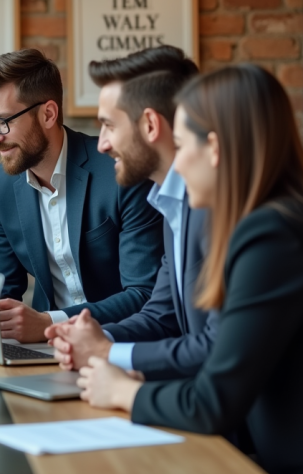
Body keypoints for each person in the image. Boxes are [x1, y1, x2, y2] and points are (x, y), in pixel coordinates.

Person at [77, 65, 303, 474]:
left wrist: (124, 392)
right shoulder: (274, 219)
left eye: (182, 142)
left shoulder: (272, 234)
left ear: (213, 148)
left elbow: (214, 401)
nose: (178, 163)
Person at [0, 49, 164, 343]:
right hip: (43, 348)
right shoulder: (1, 184)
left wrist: (49, 323)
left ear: (48, 114)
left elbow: (143, 293)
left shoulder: (120, 172)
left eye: (3, 122)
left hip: (120, 343)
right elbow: (3, 291)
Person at [47, 47, 217, 380]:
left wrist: (107, 354)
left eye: (109, 125)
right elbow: (162, 314)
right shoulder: (172, 203)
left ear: (150, 124)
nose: (102, 144)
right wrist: (97, 338)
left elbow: (216, 347)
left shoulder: (217, 209)